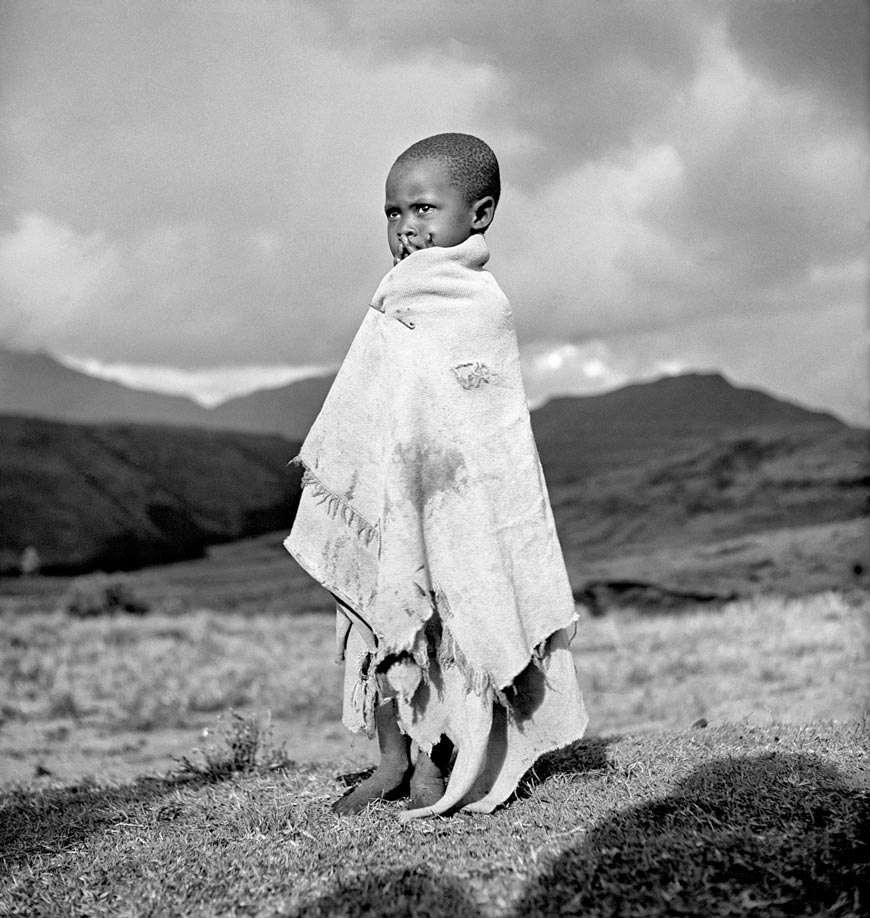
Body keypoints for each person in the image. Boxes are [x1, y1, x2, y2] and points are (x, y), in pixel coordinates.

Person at [284, 133, 587, 820]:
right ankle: (391, 761)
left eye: (423, 208)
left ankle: (438, 758)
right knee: (381, 621)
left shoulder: (483, 306)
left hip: (455, 500)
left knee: (445, 630)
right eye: (393, 213)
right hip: (390, 494)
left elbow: (489, 421)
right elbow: (373, 401)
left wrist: (450, 485)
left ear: (477, 215)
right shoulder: (393, 296)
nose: (406, 228)